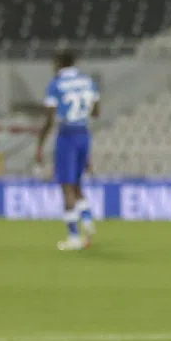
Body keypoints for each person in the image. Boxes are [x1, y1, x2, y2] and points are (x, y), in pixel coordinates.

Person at [35, 50, 99, 251]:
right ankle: (87, 219)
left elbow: (49, 118)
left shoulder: (56, 84)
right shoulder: (87, 81)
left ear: (59, 63)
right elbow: (96, 111)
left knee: (66, 186)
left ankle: (73, 236)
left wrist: (40, 144)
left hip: (67, 135)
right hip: (84, 133)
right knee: (77, 183)